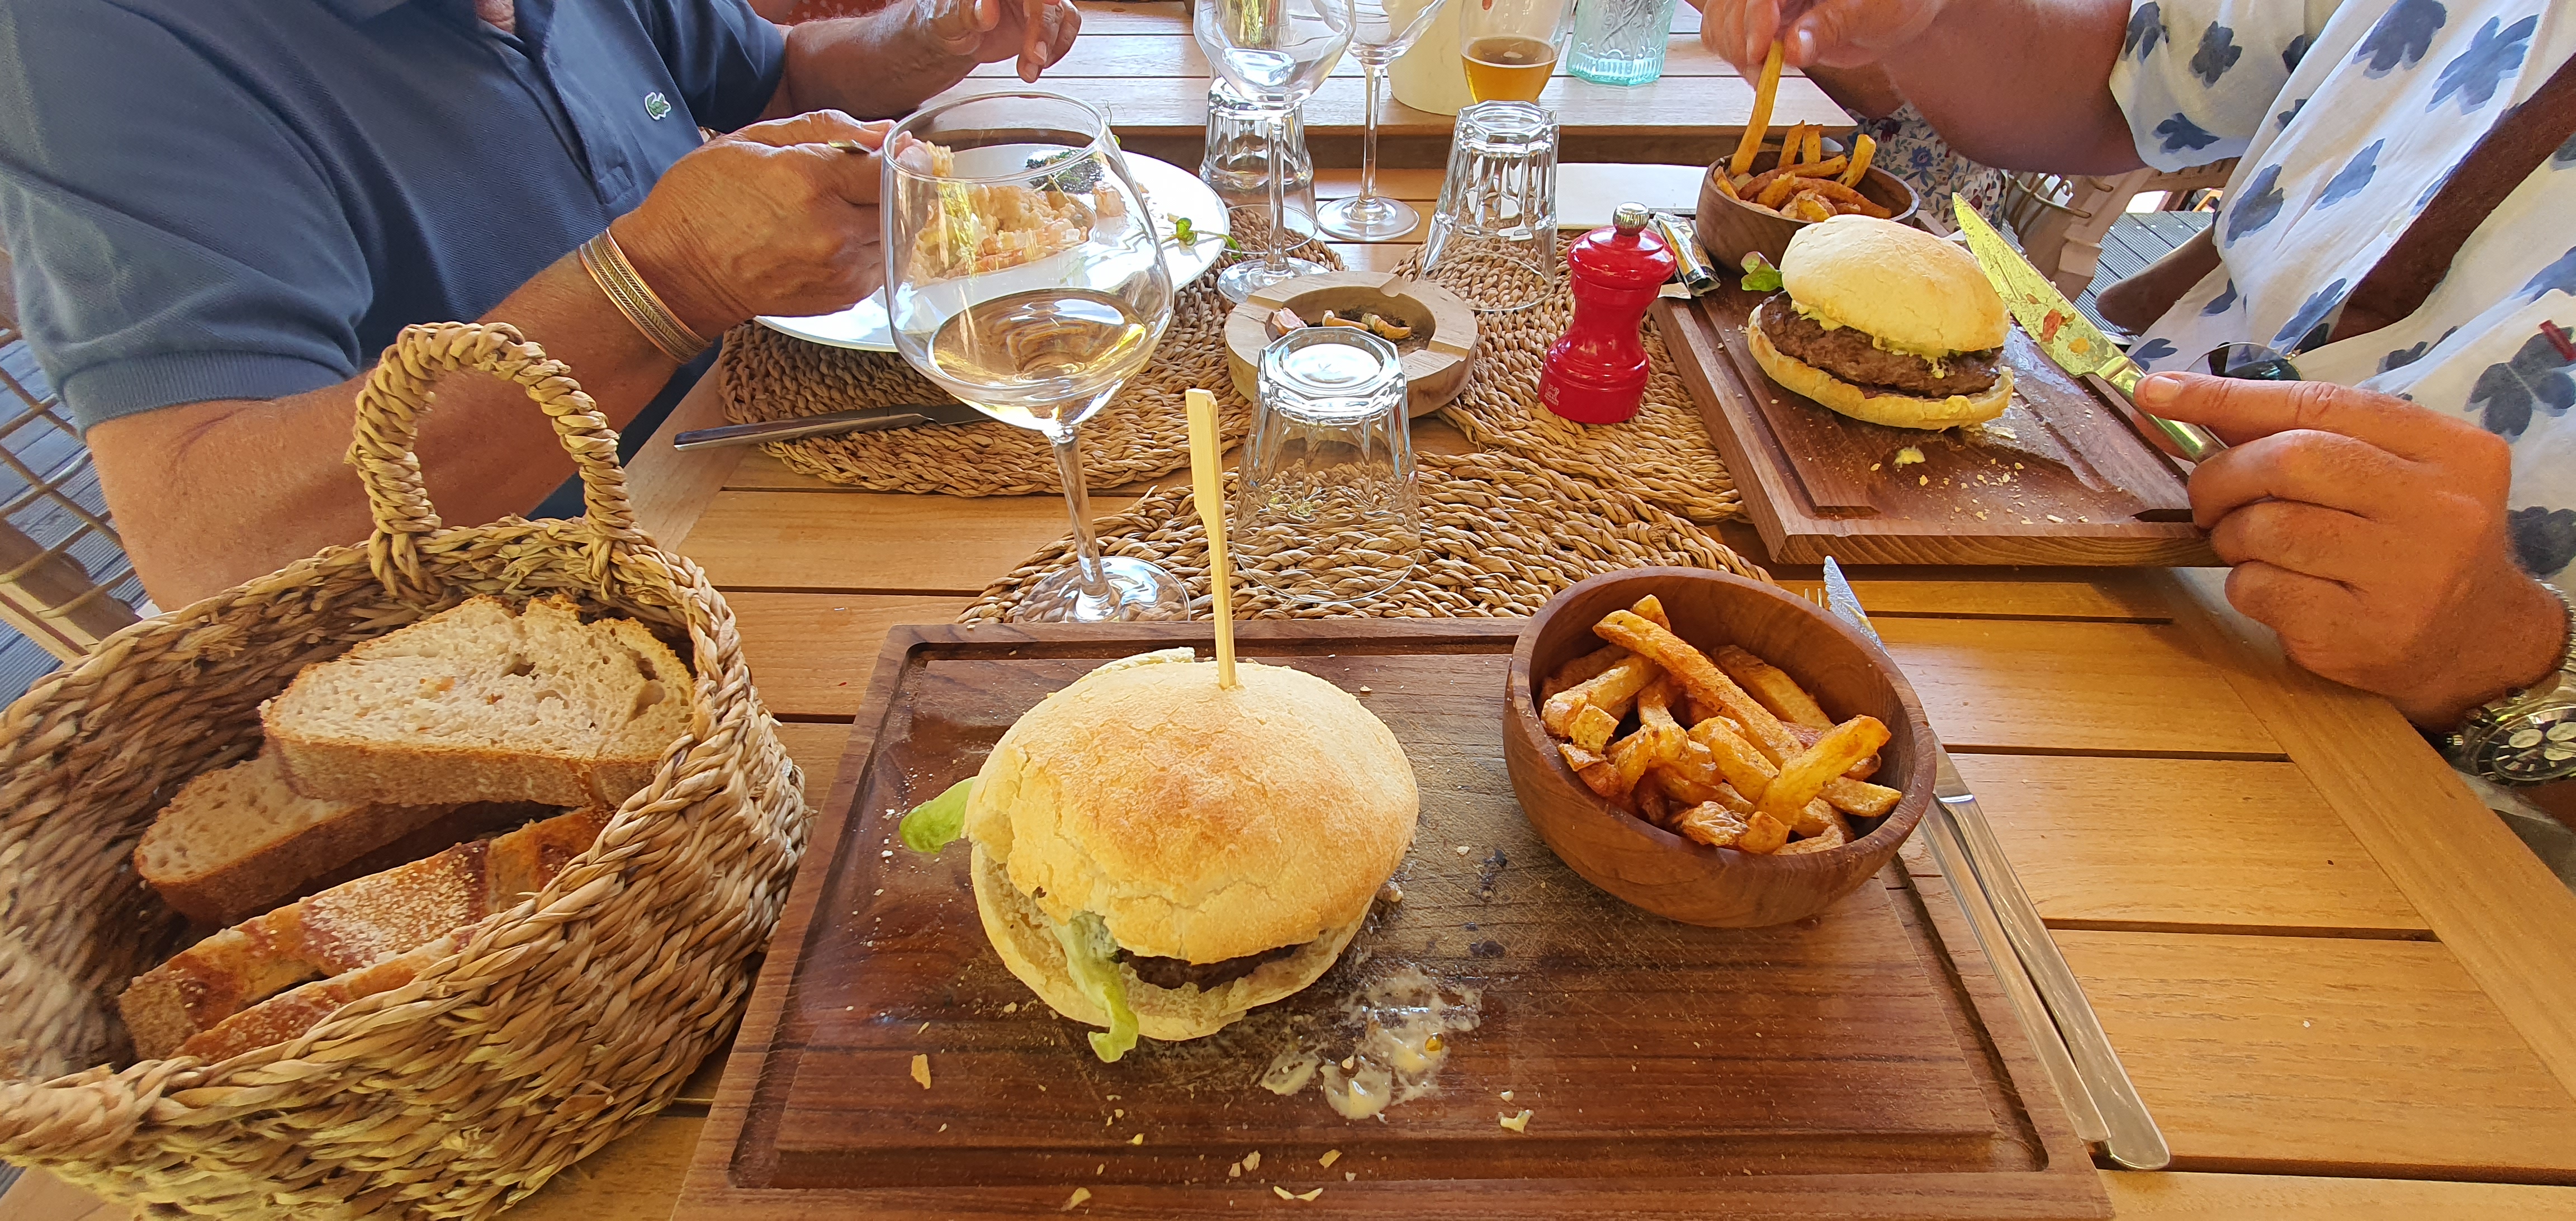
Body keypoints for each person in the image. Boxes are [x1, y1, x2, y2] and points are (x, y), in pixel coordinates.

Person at [1694, 0, 2576, 851]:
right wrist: (1937, 14)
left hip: (2440, 807)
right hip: (2113, 507)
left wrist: (2505, 655)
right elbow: (2131, 77)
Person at [0, 0, 1077, 607]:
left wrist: (925, 37)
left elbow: (777, 77)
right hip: (541, 625)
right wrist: (662, 284)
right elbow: (216, 552)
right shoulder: (102, 41)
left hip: (779, 448)